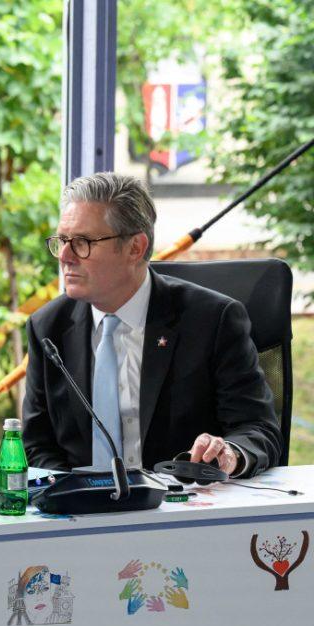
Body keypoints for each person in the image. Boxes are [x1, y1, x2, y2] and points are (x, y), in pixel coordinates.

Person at [23, 172, 281, 477]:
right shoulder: (48, 328)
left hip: (183, 499)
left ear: (135, 247)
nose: (65, 256)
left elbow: (257, 428)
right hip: (79, 502)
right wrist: (70, 492)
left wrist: (229, 453)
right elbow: (38, 445)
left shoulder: (213, 320)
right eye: (62, 241)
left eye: (82, 242)